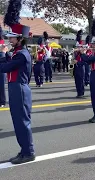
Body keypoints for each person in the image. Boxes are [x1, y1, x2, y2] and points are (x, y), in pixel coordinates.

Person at [0, 2, 35, 164]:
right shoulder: (18, 53)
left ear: (20, 39)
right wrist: (5, 54)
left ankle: (29, 152)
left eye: (12, 37)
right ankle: (24, 150)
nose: (10, 40)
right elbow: (8, 62)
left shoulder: (21, 54)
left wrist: (3, 54)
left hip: (19, 89)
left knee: (22, 122)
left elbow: (6, 67)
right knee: (18, 122)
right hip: (16, 88)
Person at [73, 30, 85, 98]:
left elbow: (84, 62)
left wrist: (77, 62)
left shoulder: (83, 54)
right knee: (77, 81)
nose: (77, 48)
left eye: (78, 47)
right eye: (76, 47)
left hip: (81, 68)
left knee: (81, 81)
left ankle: (81, 93)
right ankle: (78, 92)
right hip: (76, 68)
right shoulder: (75, 53)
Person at [0, 26, 6, 107]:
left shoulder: (2, 43)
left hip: (1, 67)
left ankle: (2, 101)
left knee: (1, 85)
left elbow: (3, 57)